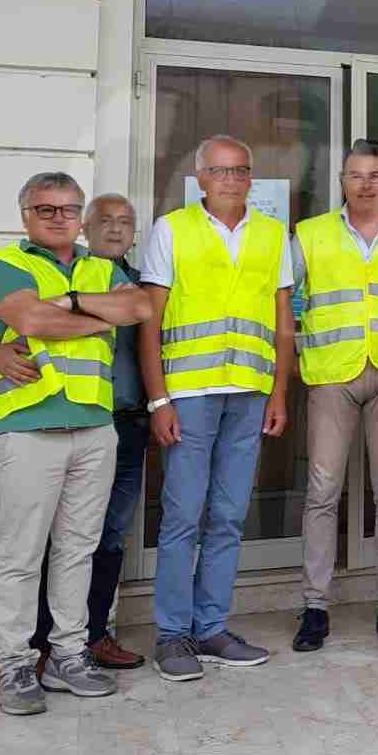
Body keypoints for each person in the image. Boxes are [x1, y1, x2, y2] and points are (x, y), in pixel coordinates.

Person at [0, 173, 151, 715]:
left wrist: (71, 301)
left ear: (82, 216)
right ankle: (14, 662)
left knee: (78, 550)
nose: (58, 218)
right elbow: (29, 317)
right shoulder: (7, 263)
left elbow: (139, 309)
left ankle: (68, 654)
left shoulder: (101, 266)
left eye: (68, 209)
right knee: (21, 555)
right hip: (30, 428)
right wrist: (92, 316)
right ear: (25, 214)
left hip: (95, 427)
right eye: (45, 209)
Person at [140, 134, 294, 682]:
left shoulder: (273, 235)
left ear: (251, 179)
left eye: (241, 171)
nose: (232, 179)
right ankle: (172, 635)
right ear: (200, 178)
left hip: (248, 394)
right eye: (221, 171)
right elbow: (149, 321)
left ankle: (211, 629)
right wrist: (159, 398)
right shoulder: (172, 230)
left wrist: (278, 392)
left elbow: (281, 321)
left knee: (228, 516)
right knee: (183, 515)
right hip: (190, 394)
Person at [291, 139, 378, 653]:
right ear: (342, 181)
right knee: (322, 491)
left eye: (375, 174)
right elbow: (285, 302)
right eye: (355, 174)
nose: (366, 183)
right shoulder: (309, 234)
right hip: (330, 374)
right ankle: (315, 605)